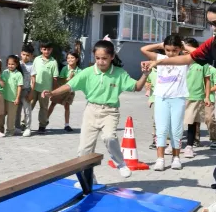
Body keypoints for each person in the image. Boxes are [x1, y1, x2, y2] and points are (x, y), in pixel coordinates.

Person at [142, 0, 216, 212]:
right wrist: (160, 62)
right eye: (210, 23)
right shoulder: (214, 43)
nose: (213, 27)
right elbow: (189, 57)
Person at [43, 40, 149, 181]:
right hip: (91, 111)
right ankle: (89, 180)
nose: (100, 62)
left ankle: (121, 163)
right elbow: (69, 86)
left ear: (112, 57)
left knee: (109, 137)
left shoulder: (119, 73)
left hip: (110, 112)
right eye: (97, 58)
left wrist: (145, 75)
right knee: (84, 150)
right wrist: (52, 93)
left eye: (104, 58)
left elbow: (137, 87)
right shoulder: (88, 72)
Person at [141, 35, 189, 171]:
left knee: (176, 130)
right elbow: (143, 49)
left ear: (179, 49)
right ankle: (160, 159)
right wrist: (160, 45)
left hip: (178, 98)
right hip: (161, 98)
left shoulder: (185, 60)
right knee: (161, 130)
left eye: (174, 50)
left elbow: (198, 51)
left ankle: (176, 158)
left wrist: (184, 47)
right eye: (168, 50)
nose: (171, 53)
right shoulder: (160, 58)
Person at [182, 38, 211, 158]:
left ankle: (189, 146)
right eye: (183, 49)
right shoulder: (180, 62)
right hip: (179, 96)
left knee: (192, 122)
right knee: (176, 122)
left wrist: (207, 96)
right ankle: (174, 144)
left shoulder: (202, 63)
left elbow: (207, 80)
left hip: (196, 96)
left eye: (187, 49)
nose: (185, 52)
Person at [47, 52, 81, 132]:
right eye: (68, 58)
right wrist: (68, 79)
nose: (70, 60)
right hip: (61, 89)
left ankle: (67, 125)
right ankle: (46, 119)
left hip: (70, 91)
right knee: (53, 104)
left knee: (67, 106)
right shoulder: (65, 68)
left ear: (77, 59)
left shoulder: (79, 71)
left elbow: (79, 81)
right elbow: (61, 80)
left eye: (72, 58)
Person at [33, 42, 59, 134]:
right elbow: (32, 74)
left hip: (45, 90)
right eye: (44, 49)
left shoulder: (53, 62)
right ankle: (24, 123)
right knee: (29, 106)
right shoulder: (36, 59)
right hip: (34, 87)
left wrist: (54, 92)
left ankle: (42, 125)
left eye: (48, 49)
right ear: (41, 49)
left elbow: (55, 78)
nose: (46, 51)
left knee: (43, 108)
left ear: (51, 50)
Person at [1, 55, 23, 137]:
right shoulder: (5, 72)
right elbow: (1, 83)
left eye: (12, 64)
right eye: (9, 64)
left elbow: (19, 87)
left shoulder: (18, 74)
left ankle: (10, 131)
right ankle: (0, 129)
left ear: (17, 64)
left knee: (11, 117)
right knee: (1, 115)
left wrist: (17, 98)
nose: (10, 66)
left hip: (13, 99)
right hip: (3, 98)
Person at [16, 43, 35, 137]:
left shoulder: (32, 66)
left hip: (26, 90)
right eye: (24, 54)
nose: (25, 57)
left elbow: (33, 80)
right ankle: (17, 127)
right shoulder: (17, 64)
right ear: (21, 54)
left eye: (28, 55)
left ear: (31, 56)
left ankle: (27, 128)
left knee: (27, 110)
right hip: (17, 91)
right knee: (17, 110)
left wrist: (31, 92)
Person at [204, 64, 216, 149]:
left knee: (209, 118)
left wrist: (206, 91)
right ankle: (194, 140)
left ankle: (214, 139)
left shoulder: (213, 70)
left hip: (209, 99)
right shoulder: (192, 67)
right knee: (194, 120)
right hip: (195, 97)